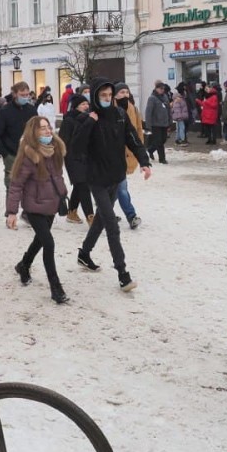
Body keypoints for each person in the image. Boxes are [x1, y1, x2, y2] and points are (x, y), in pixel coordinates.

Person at [72, 79, 152, 292]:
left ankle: (84, 253)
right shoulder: (86, 118)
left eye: (109, 95)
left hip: (116, 177)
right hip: (96, 179)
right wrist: (89, 122)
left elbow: (133, 139)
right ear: (95, 97)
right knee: (112, 226)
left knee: (100, 220)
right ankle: (123, 274)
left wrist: (144, 162)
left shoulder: (119, 115)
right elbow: (76, 148)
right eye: (103, 95)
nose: (107, 98)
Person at [7, 116, 70, 304]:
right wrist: (12, 212)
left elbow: (57, 177)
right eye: (42, 129)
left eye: (48, 127)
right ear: (33, 132)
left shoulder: (56, 149)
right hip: (34, 206)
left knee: (40, 240)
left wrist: (63, 195)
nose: (48, 131)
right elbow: (16, 184)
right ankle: (56, 288)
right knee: (48, 243)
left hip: (51, 204)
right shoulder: (28, 155)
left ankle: (24, 264)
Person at [0, 81, 37, 204]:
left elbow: (36, 130)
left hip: (29, 153)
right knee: (12, 185)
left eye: (27, 94)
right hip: (11, 153)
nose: (25, 97)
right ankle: (11, 212)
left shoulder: (32, 110)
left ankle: (28, 212)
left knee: (31, 183)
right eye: (22, 94)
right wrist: (4, 153)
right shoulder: (5, 111)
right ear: (15, 94)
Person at [114, 82, 144, 229]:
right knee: (118, 189)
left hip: (126, 154)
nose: (125, 95)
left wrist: (140, 151)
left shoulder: (134, 109)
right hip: (110, 156)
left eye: (127, 92)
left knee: (119, 188)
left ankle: (129, 216)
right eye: (121, 92)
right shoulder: (109, 109)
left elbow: (138, 130)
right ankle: (129, 216)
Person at [59, 93, 92, 224]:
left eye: (87, 104)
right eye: (83, 104)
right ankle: (91, 216)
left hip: (86, 156)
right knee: (83, 185)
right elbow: (63, 140)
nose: (86, 106)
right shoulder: (69, 120)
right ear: (76, 106)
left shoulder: (89, 118)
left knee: (80, 184)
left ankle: (72, 212)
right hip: (72, 157)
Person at [144, 80, 171, 164]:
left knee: (163, 140)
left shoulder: (165, 97)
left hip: (164, 123)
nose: (162, 90)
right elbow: (148, 112)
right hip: (155, 124)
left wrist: (170, 120)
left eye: (163, 89)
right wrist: (148, 125)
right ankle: (162, 159)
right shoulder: (152, 98)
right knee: (159, 141)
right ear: (156, 88)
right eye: (160, 88)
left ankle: (151, 149)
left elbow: (168, 110)